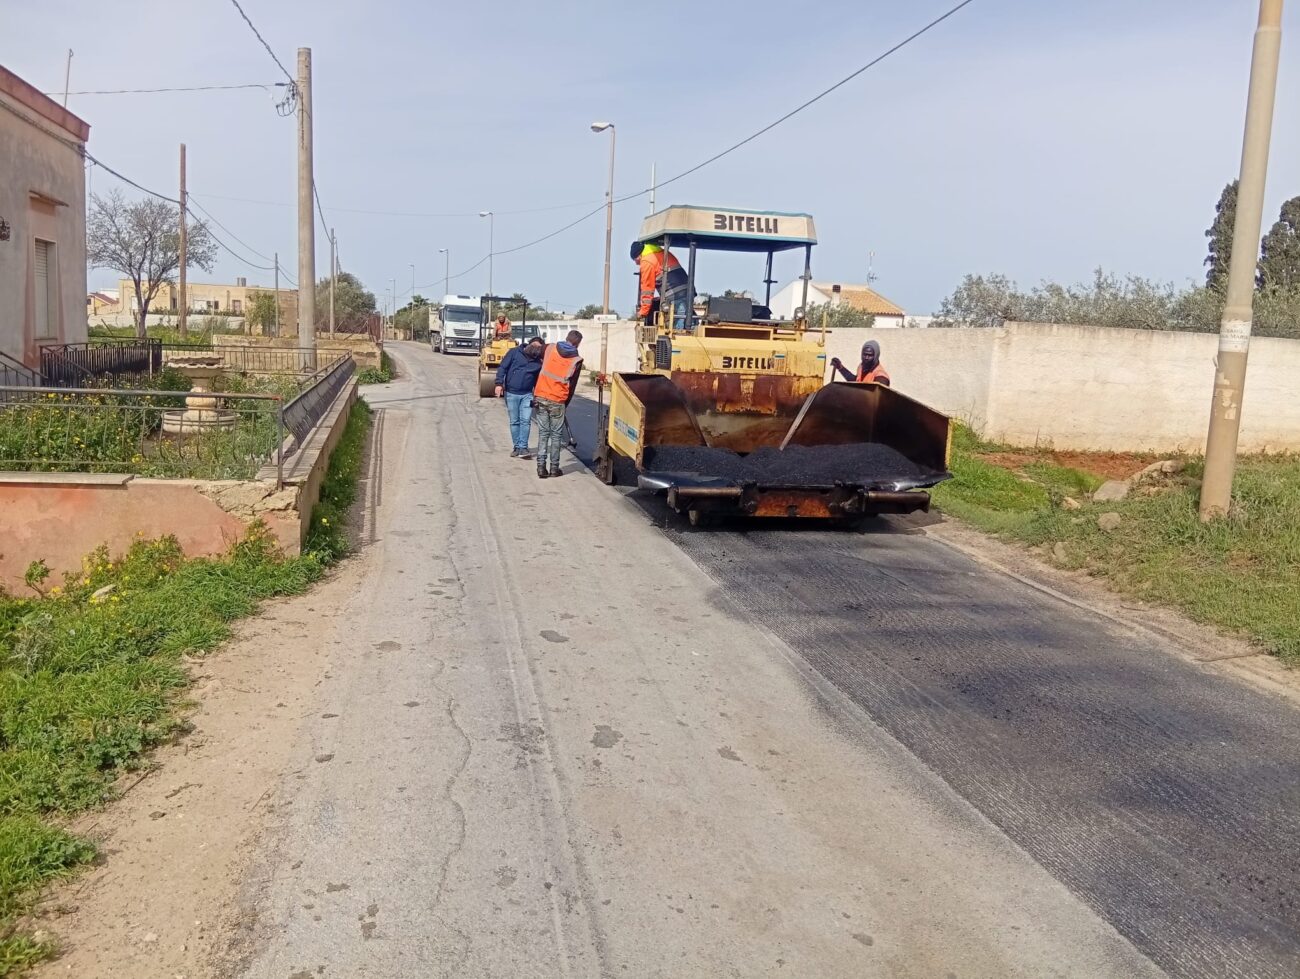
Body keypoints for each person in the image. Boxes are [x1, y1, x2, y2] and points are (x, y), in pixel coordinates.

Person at [532, 330, 583, 479]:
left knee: (543, 433)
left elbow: (532, 350)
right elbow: (572, 386)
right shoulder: (576, 360)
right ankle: (554, 469)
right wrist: (565, 404)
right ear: (578, 344)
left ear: (566, 338)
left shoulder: (550, 348)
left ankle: (541, 468)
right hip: (558, 400)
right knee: (556, 435)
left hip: (541, 395)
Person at [495, 336, 544, 458]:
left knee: (525, 421)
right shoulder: (514, 352)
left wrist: (537, 396)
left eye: (539, 347)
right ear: (529, 344)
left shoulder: (538, 362)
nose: (536, 349)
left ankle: (523, 448)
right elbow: (502, 367)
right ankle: (516, 447)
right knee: (514, 421)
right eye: (534, 345)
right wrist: (499, 384)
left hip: (527, 394)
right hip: (511, 393)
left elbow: (538, 380)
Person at [632, 241, 691, 330]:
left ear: (638, 256)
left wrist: (643, 312)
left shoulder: (646, 262)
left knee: (678, 329)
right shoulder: (660, 253)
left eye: (635, 261)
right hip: (687, 290)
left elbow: (647, 290)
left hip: (675, 295)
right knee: (689, 323)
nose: (637, 263)